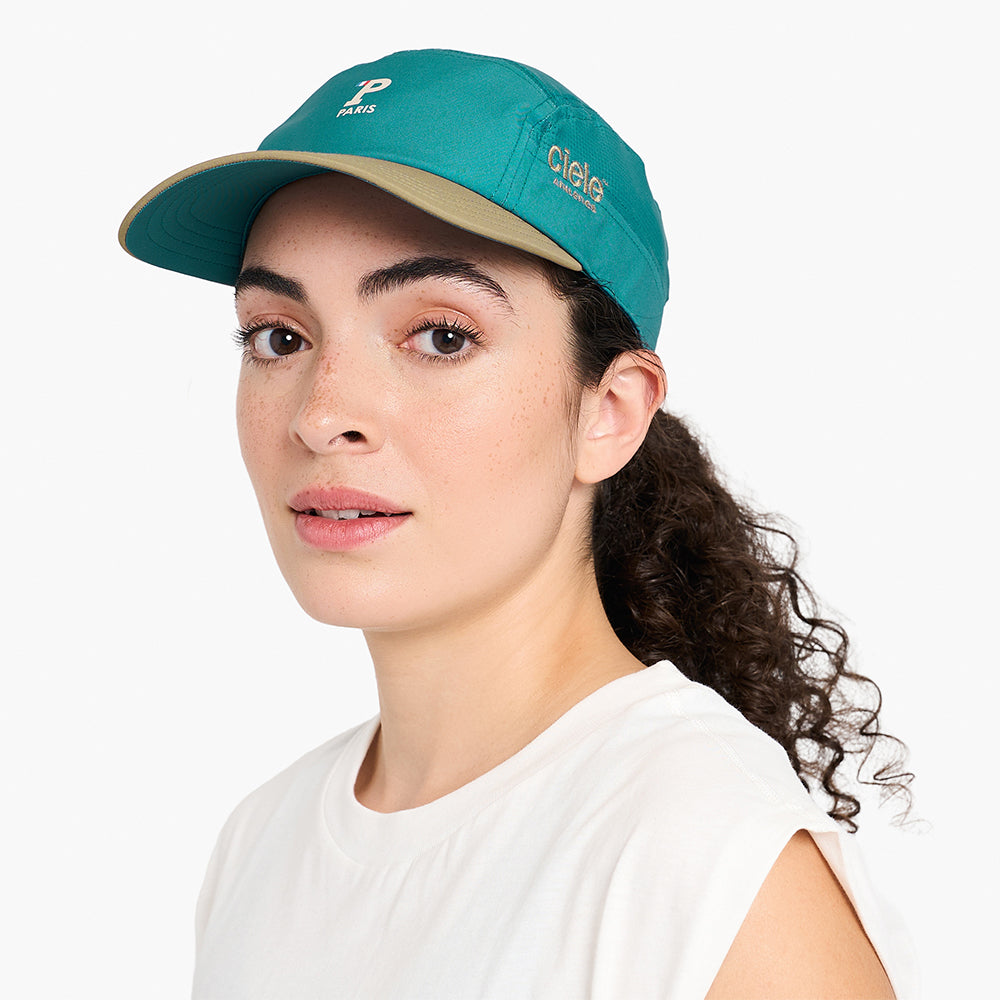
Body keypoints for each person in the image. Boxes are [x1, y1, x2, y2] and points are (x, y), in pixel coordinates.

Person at [119, 48, 912, 999]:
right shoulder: (262, 844)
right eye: (278, 337)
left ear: (609, 412)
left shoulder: (713, 862)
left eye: (442, 336)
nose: (321, 414)